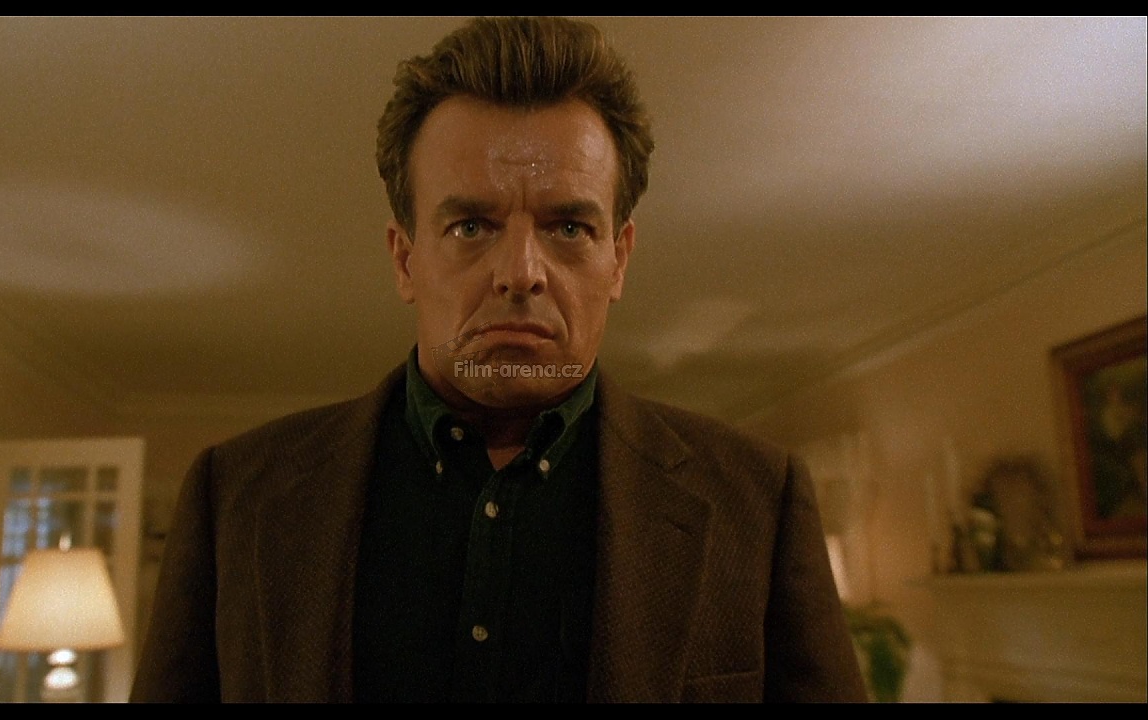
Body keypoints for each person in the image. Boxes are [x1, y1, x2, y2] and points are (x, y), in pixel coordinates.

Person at [130, 16, 867, 703]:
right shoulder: (237, 498)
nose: (520, 273)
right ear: (405, 258)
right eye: (471, 225)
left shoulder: (755, 504)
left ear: (619, 259)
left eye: (569, 227)